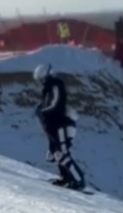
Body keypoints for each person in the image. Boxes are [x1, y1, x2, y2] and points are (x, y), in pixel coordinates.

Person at [34, 62, 87, 191]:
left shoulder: (55, 85)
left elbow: (55, 104)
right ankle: (66, 178)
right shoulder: (48, 88)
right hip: (56, 126)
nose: (41, 82)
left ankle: (78, 180)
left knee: (63, 153)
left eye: (41, 79)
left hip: (62, 125)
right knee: (57, 153)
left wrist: (43, 111)